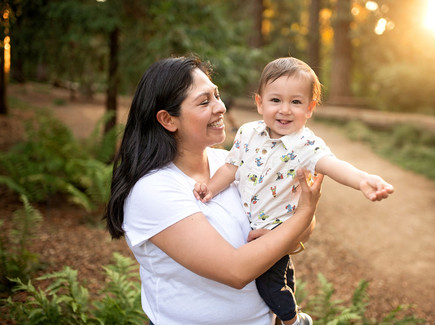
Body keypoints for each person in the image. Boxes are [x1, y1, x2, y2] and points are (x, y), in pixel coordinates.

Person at [104, 56, 324, 325]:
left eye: (216, 95)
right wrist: (302, 216)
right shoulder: (153, 190)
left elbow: (299, 223)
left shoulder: (229, 163)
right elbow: (235, 270)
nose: (220, 107)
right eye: (204, 101)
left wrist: (296, 225)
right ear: (168, 120)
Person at [193, 57, 394, 325]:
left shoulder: (305, 144)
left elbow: (332, 165)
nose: (285, 110)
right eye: (275, 100)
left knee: (269, 285)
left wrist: (362, 180)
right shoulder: (247, 133)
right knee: (281, 276)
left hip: (275, 231)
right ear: (259, 103)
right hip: (253, 228)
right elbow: (230, 168)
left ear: (309, 108)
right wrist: (210, 188)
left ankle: (293, 321)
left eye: (296, 102)